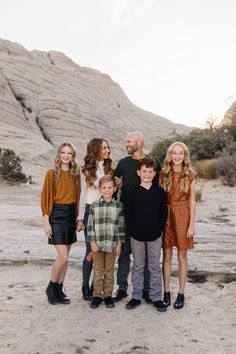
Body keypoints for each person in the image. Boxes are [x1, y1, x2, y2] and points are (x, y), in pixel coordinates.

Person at [113, 131, 161, 302]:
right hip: (126, 216)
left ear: (139, 142)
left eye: (129, 141)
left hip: (147, 218)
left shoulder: (153, 163)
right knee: (125, 253)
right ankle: (122, 288)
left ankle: (147, 291)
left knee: (146, 257)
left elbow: (160, 188)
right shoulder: (123, 163)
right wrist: (117, 184)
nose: (126, 144)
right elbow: (113, 183)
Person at [125, 157, 167, 311]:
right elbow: (128, 215)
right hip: (136, 236)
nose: (147, 174)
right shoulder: (132, 193)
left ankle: (156, 297)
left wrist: (158, 231)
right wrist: (134, 231)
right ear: (138, 172)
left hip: (155, 236)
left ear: (155, 173)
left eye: (150, 172)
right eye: (144, 171)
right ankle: (136, 296)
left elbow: (163, 214)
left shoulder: (160, 193)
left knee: (155, 267)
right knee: (138, 266)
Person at [41, 142, 80, 305]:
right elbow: (45, 198)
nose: (65, 155)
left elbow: (78, 197)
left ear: (73, 156)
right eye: (63, 152)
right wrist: (46, 222)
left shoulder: (76, 174)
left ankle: (59, 289)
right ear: (59, 154)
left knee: (66, 257)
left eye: (69, 153)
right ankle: (51, 287)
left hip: (71, 215)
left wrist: (78, 218)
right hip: (56, 215)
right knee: (62, 257)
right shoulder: (51, 174)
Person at [160, 141, 197, 309]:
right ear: (170, 155)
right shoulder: (163, 174)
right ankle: (166, 292)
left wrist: (191, 225)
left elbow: (193, 201)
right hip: (166, 216)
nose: (177, 156)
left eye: (180, 153)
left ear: (185, 156)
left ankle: (181, 293)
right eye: (174, 153)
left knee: (182, 257)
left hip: (183, 215)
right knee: (167, 256)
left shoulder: (190, 174)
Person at [77, 138, 115, 300]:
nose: (107, 150)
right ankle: (85, 286)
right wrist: (79, 217)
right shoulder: (85, 170)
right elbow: (83, 195)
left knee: (104, 249)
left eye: (108, 147)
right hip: (91, 211)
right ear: (96, 150)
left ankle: (96, 285)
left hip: (108, 211)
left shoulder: (110, 168)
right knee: (91, 251)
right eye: (104, 148)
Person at [87, 175, 125, 309]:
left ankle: (108, 295)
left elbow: (121, 227)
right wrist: (92, 242)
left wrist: (119, 244)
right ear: (100, 189)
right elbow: (90, 225)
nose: (107, 190)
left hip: (112, 245)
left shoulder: (119, 206)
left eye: (110, 188)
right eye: (104, 188)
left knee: (109, 271)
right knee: (98, 270)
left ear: (115, 189)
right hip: (97, 244)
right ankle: (97, 295)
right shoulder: (94, 206)